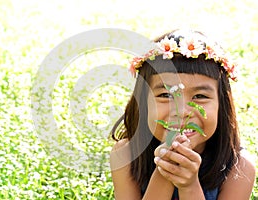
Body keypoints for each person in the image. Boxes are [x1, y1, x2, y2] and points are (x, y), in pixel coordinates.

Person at [110, 29, 256, 200]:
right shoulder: (126, 154)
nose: (182, 111)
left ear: (221, 105)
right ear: (143, 103)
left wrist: (189, 185)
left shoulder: (239, 167)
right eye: (166, 95)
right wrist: (166, 171)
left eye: (200, 96)